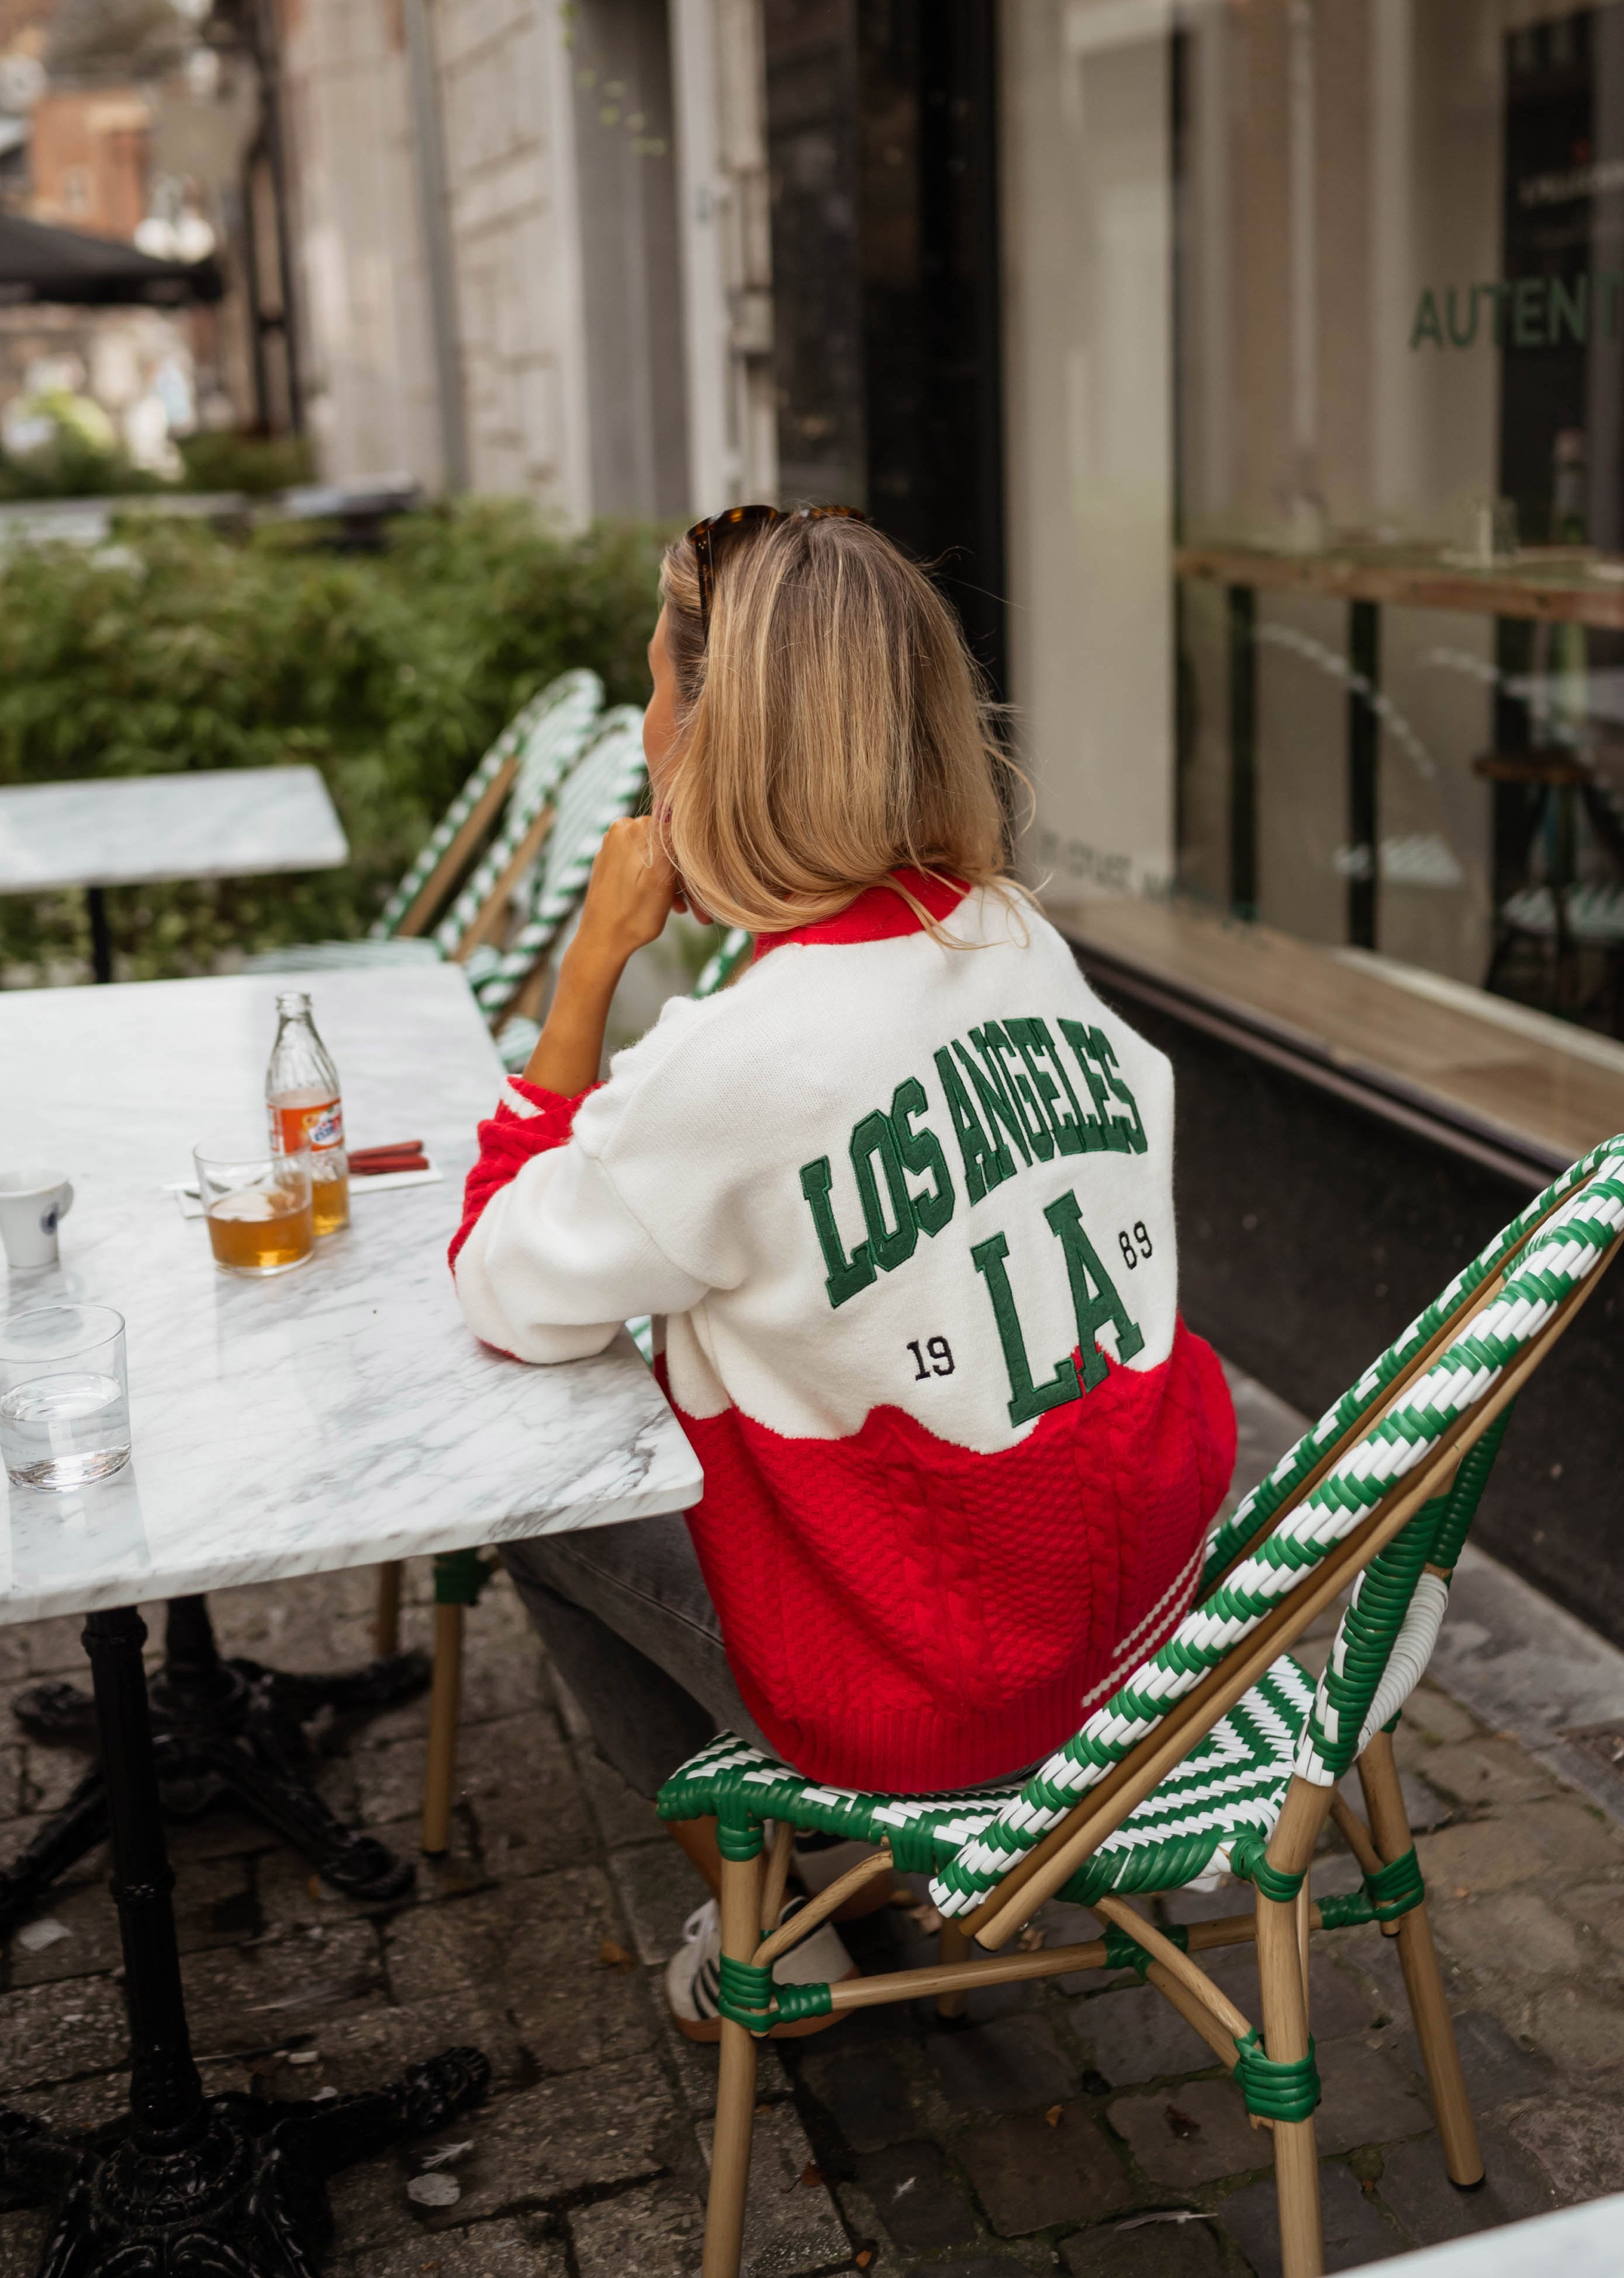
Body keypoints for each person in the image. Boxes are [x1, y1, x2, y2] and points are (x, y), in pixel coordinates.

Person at [450, 505, 1237, 2038]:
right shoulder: (1015, 938)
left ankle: (786, 1920)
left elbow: (502, 1285)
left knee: (531, 1506)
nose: (646, 732)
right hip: (1151, 1617)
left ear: (714, 735)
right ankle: (855, 1878)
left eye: (656, 697)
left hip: (946, 1691)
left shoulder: (735, 1064)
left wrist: (588, 974)